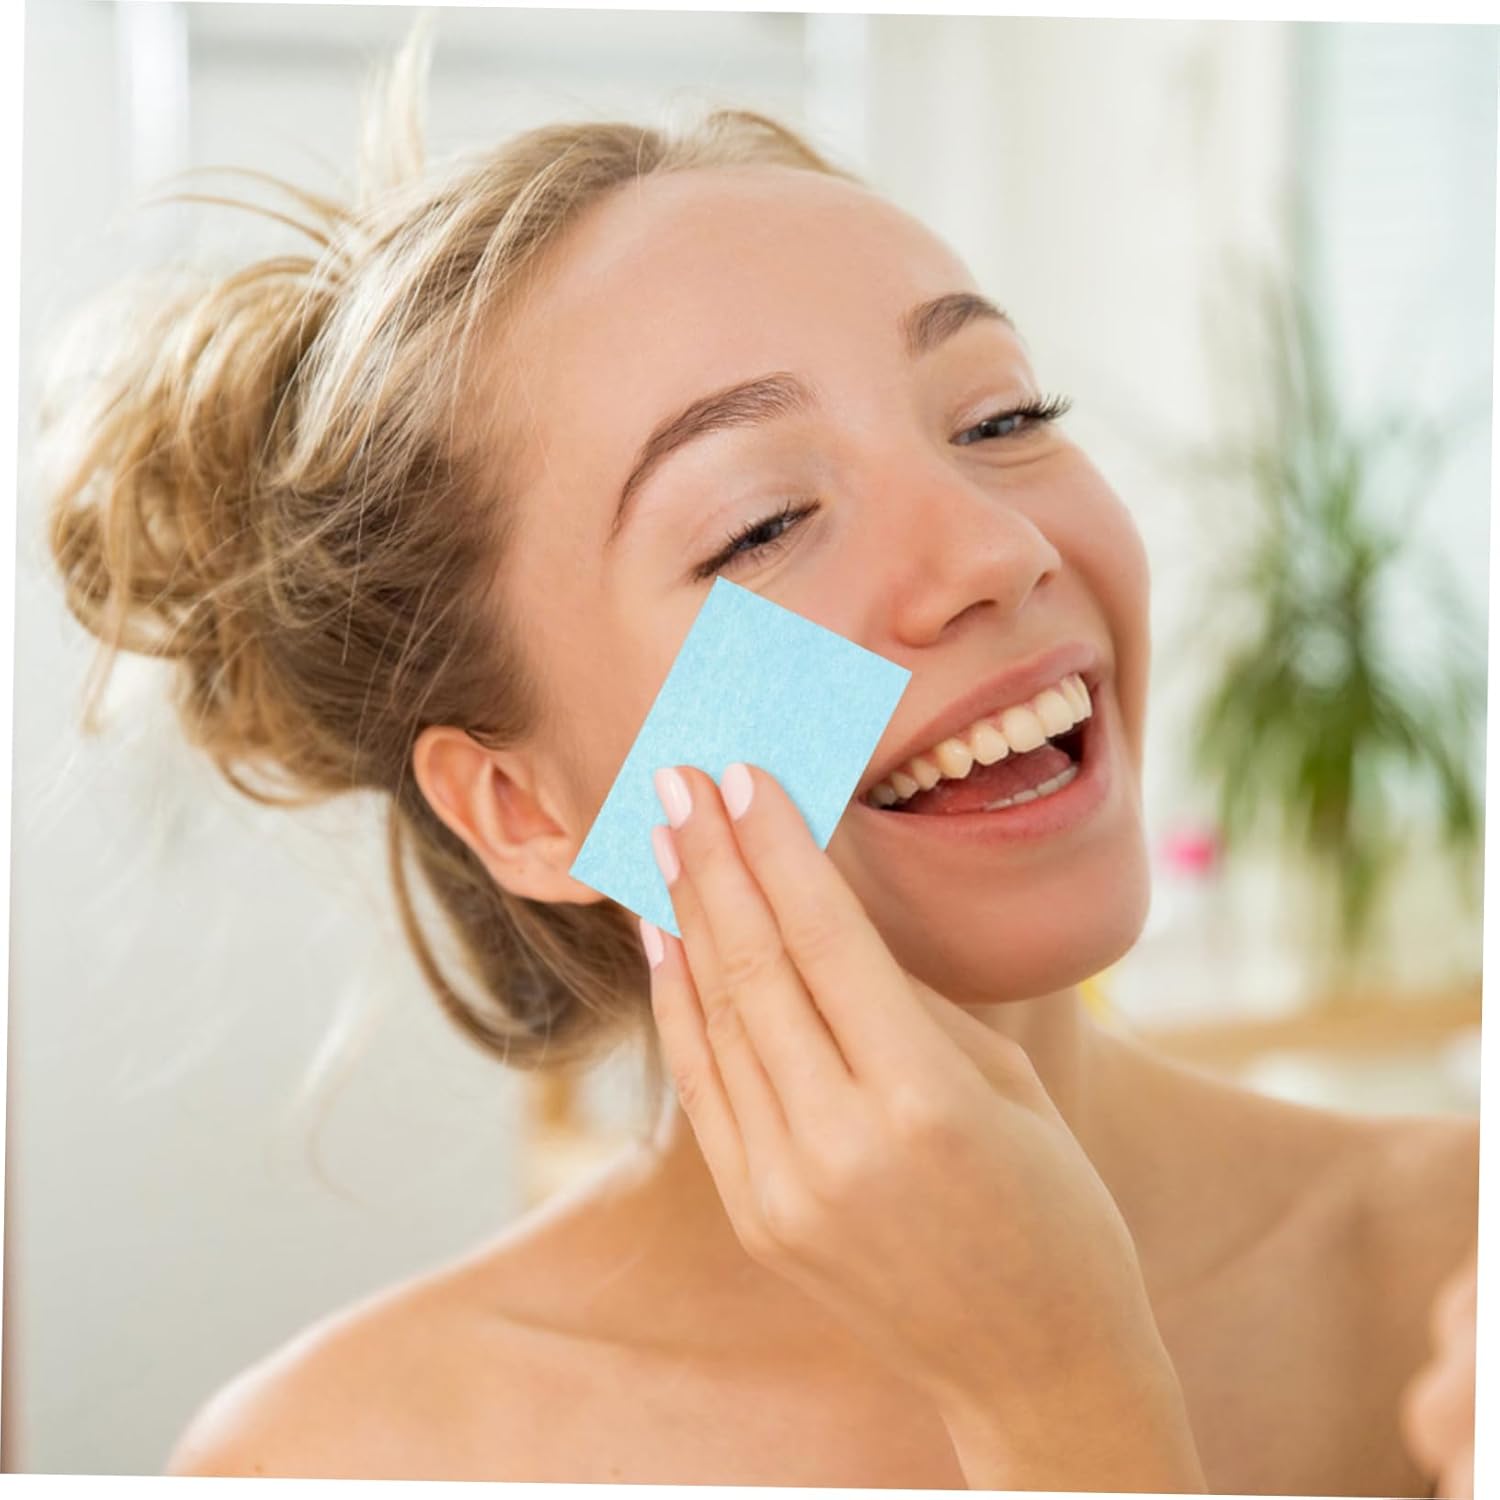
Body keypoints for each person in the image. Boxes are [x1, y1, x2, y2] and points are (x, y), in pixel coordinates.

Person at [39, 34, 1478, 1496]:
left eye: (1001, 418)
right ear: (523, 808)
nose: (997, 548)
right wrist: (1052, 1387)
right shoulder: (340, 1461)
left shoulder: (1453, 1281)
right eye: (760, 526)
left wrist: (1060, 1391)